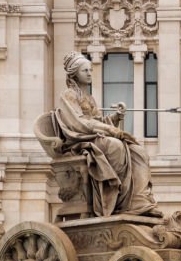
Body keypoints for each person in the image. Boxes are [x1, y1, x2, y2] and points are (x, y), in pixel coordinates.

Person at [53, 52, 161, 217]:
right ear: (74, 73)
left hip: (96, 137)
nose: (89, 73)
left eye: (90, 70)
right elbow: (79, 123)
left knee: (138, 152)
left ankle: (138, 200)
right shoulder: (68, 95)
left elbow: (98, 120)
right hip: (81, 140)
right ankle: (116, 199)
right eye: (85, 71)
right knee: (116, 146)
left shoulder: (89, 98)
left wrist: (115, 118)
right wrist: (111, 130)